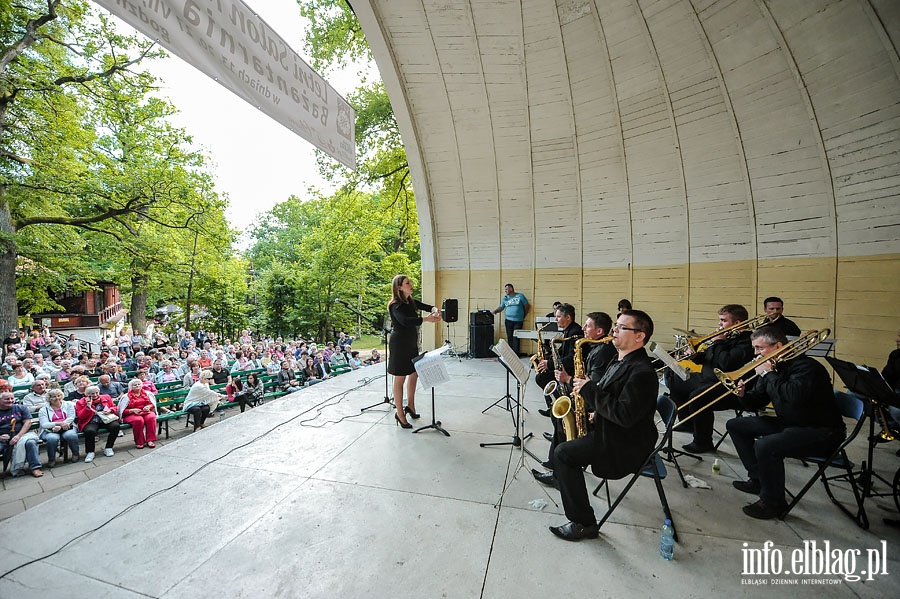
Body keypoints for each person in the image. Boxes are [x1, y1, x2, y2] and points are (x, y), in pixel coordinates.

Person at [547, 310, 659, 540]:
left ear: (640, 336)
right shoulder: (619, 359)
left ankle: (584, 523)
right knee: (561, 428)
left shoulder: (642, 372)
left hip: (624, 443)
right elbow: (612, 400)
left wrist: (588, 390)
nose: (613, 331)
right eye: (615, 326)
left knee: (564, 454)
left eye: (621, 327)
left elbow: (625, 415)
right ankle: (565, 481)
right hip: (610, 428)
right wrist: (595, 414)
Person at [726, 326, 846, 519]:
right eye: (755, 348)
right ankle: (758, 478)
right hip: (791, 423)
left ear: (779, 346)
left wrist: (768, 374)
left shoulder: (807, 367)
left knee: (766, 446)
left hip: (821, 431)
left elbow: (793, 396)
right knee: (736, 425)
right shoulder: (775, 366)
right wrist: (742, 395)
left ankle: (773, 502)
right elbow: (757, 401)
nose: (756, 354)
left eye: (760, 348)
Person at [534, 312, 616, 478]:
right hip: (591, 396)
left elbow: (593, 386)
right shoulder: (596, 347)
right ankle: (556, 458)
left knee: (560, 417)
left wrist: (568, 379)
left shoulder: (602, 352)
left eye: (588, 326)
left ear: (599, 332)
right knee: (558, 415)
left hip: (594, 406)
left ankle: (558, 469)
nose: (583, 328)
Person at [666, 304, 755, 453]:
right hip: (706, 377)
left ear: (737, 323)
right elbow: (709, 358)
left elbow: (726, 363)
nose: (719, 324)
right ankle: (687, 422)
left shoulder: (748, 342)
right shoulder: (727, 335)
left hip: (726, 384)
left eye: (723, 320)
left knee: (698, 397)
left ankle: (703, 441)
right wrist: (694, 356)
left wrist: (718, 342)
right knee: (674, 377)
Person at [387, 274, 442, 428]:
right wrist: (427, 319)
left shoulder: (410, 301)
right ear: (399, 287)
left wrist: (434, 309)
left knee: (414, 373)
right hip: (399, 345)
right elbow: (405, 321)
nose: (410, 285)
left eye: (410, 282)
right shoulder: (395, 305)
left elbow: (425, 306)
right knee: (400, 379)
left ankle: (410, 406)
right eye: (407, 283)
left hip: (411, 343)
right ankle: (400, 413)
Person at [535, 303, 583, 407]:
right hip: (566, 366)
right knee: (542, 373)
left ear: (568, 317)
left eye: (558, 317)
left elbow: (571, 359)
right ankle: (553, 405)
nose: (556, 320)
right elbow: (564, 350)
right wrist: (550, 358)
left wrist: (550, 364)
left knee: (541, 378)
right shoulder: (569, 330)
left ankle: (559, 404)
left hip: (570, 370)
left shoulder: (575, 332)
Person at [0, 390, 43, 476]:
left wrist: (18, 436)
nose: (10, 400)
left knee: (31, 442)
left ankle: (35, 468)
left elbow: (28, 422)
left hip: (22, 435)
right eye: (7, 399)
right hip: (2, 438)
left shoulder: (20, 408)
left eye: (12, 398)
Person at [74, 386, 120, 462]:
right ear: (87, 394)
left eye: (96, 393)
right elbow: (81, 416)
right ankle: (90, 452)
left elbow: (114, 407)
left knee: (115, 426)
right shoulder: (81, 402)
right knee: (90, 431)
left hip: (105, 419)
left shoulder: (106, 397)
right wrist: (88, 407)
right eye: (92, 394)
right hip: (91, 421)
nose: (95, 395)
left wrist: (110, 410)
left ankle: (109, 447)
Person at [38, 389, 80, 466]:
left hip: (68, 426)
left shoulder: (68, 405)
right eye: (54, 397)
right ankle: (51, 459)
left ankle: (75, 453)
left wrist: (62, 425)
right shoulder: (43, 409)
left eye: (59, 396)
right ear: (49, 399)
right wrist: (58, 424)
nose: (57, 398)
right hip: (50, 429)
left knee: (70, 435)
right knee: (52, 438)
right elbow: (44, 424)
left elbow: (71, 417)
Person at [118, 379, 158, 449]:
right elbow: (122, 411)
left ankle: (150, 440)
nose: (137, 386)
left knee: (151, 417)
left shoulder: (147, 393)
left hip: (145, 412)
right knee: (138, 420)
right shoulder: (126, 397)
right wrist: (132, 410)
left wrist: (149, 406)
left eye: (139, 384)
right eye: (135, 385)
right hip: (131, 414)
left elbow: (152, 404)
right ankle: (140, 442)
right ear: (131, 387)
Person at [492, 283, 530, 356]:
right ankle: (511, 354)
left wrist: (523, 315)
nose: (505, 291)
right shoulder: (505, 298)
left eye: (507, 289)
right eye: (505, 289)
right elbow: (501, 307)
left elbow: (526, 305)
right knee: (510, 337)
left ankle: (516, 354)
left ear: (511, 289)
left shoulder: (520, 296)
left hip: (518, 320)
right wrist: (495, 311)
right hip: (508, 320)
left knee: (516, 337)